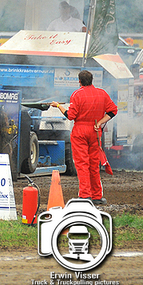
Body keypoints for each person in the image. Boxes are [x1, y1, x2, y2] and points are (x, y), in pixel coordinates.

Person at [50, 70, 118, 205]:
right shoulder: (102, 93)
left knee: (82, 164)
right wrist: (99, 122)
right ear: (92, 80)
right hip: (95, 130)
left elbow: (71, 115)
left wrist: (58, 106)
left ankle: (85, 195)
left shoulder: (77, 94)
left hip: (80, 131)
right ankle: (97, 196)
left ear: (79, 81)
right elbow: (112, 111)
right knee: (94, 164)